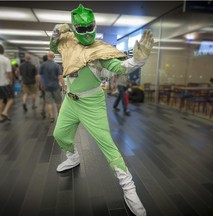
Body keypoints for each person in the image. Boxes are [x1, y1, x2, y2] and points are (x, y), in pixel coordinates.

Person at [49, 4, 153, 216]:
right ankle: (73, 157)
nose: (87, 32)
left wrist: (138, 60)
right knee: (59, 134)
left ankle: (129, 188)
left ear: (94, 26)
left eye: (90, 27)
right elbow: (54, 48)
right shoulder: (67, 42)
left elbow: (120, 67)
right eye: (82, 28)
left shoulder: (101, 51)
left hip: (91, 103)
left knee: (107, 145)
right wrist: (55, 35)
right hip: (70, 100)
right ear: (75, 28)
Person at [39, 51, 65, 123]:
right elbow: (60, 77)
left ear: (47, 57)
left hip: (47, 87)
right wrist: (64, 86)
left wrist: (41, 84)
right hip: (56, 86)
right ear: (54, 57)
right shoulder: (57, 65)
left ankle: (51, 117)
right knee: (58, 102)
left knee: (49, 102)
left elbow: (40, 76)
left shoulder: (43, 65)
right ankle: (59, 116)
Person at [0, 44, 14, 123]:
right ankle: (5, 112)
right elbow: (9, 72)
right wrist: (11, 80)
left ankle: (1, 117)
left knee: (0, 100)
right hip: (4, 83)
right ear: (3, 50)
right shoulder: (6, 60)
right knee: (11, 98)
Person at [38, 54, 48, 119]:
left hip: (43, 84)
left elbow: (39, 76)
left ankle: (43, 110)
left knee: (45, 99)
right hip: (51, 85)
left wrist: (39, 84)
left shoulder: (40, 66)